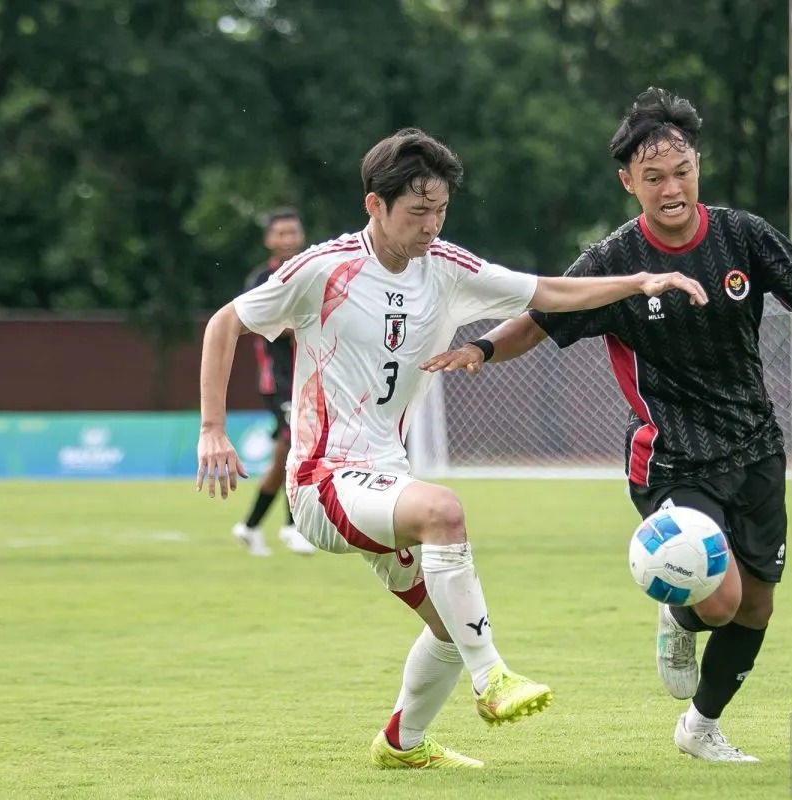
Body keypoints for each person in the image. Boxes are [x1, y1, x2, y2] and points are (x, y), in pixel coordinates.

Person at [195, 127, 708, 769]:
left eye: (441, 210)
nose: (433, 226)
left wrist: (637, 283)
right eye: (418, 213)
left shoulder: (445, 268)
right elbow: (226, 322)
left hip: (383, 478)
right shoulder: (323, 269)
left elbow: (548, 292)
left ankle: (402, 744)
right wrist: (212, 428)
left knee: (447, 624)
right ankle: (493, 679)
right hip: (321, 481)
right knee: (443, 512)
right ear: (374, 206)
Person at [420, 88, 792, 763]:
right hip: (670, 460)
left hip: (755, 447)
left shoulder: (742, 235)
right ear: (628, 181)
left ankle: (699, 726)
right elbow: (540, 319)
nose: (671, 187)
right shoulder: (612, 264)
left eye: (682, 170)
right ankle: (680, 610)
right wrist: (483, 347)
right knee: (718, 602)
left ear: (697, 167)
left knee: (757, 608)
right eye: (654, 176)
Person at [232, 207, 317, 556]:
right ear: (269, 239)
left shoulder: (312, 272)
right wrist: (301, 325)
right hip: (278, 381)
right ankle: (291, 526)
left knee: (285, 455)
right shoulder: (260, 280)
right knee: (301, 445)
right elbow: (257, 323)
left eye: (293, 232)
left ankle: (250, 526)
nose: (288, 240)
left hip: (308, 377)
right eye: (281, 234)